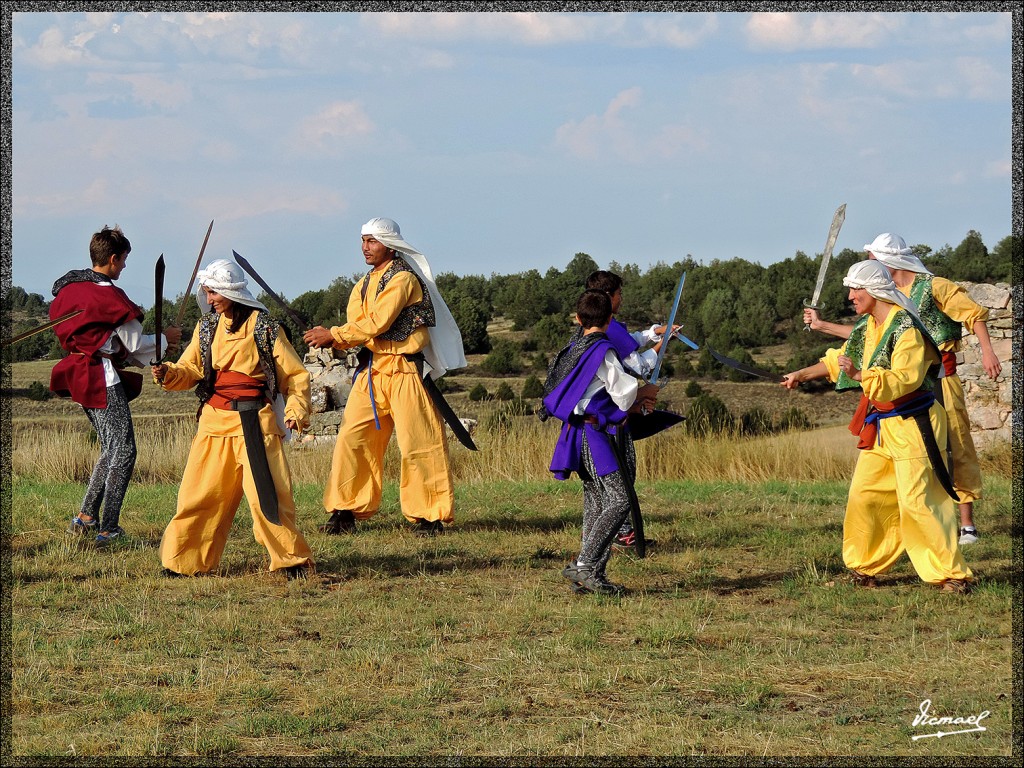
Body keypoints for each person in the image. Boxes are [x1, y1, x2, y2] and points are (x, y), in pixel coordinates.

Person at [784, 260, 972, 593]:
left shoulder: (906, 329)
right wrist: (802, 374)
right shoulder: (867, 327)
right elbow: (837, 360)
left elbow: (905, 379)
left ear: (873, 290)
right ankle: (865, 568)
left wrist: (861, 376)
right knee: (865, 495)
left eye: (856, 289)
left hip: (915, 423)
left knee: (919, 500)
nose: (851, 297)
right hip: (883, 426)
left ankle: (949, 575)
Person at [804, 233, 1003, 546]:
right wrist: (823, 326)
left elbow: (973, 315)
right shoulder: (884, 295)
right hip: (901, 387)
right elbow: (865, 335)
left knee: (956, 444)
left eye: (872, 259)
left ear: (888, 260)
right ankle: (914, 521)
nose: (868, 267)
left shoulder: (934, 285)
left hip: (940, 378)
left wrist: (988, 351)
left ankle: (967, 525)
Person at [303, 217, 467, 536]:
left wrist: (334, 334)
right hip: (372, 369)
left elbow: (377, 321)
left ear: (389, 245)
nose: (365, 247)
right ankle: (345, 509)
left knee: (419, 442)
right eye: (363, 240)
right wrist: (338, 336)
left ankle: (428, 515)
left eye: (372, 241)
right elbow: (360, 324)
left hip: (405, 368)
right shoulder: (363, 283)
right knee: (354, 437)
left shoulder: (403, 279)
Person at [152, 259, 314, 578]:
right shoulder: (207, 327)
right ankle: (184, 562)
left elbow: (295, 376)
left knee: (268, 498)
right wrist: (169, 373)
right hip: (214, 422)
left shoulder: (265, 327)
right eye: (207, 293)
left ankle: (291, 561)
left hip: (256, 423)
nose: (209, 299)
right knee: (199, 496)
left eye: (213, 292)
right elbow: (192, 370)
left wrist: (295, 411)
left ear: (229, 292)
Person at [49, 225, 182, 546]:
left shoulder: (72, 288)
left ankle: (85, 518)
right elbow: (135, 344)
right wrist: (167, 339)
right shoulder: (109, 295)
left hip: (80, 374)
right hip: (100, 377)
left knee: (111, 449)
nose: (124, 266)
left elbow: (109, 340)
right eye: (123, 260)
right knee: (124, 451)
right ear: (111, 258)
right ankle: (109, 529)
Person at [541, 290, 660, 595]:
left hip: (576, 432)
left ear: (579, 319)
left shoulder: (572, 347)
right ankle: (585, 565)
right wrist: (645, 394)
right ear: (610, 320)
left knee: (596, 501)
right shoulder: (602, 351)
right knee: (620, 500)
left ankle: (592, 576)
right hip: (594, 436)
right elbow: (623, 392)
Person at [583, 270, 680, 552]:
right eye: (619, 294)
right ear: (608, 297)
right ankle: (617, 538)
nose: (621, 299)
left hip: (602, 418)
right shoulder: (606, 332)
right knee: (619, 484)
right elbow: (639, 366)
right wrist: (663, 346)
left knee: (603, 489)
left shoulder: (600, 328)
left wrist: (656, 332)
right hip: (608, 419)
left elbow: (632, 340)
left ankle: (598, 545)